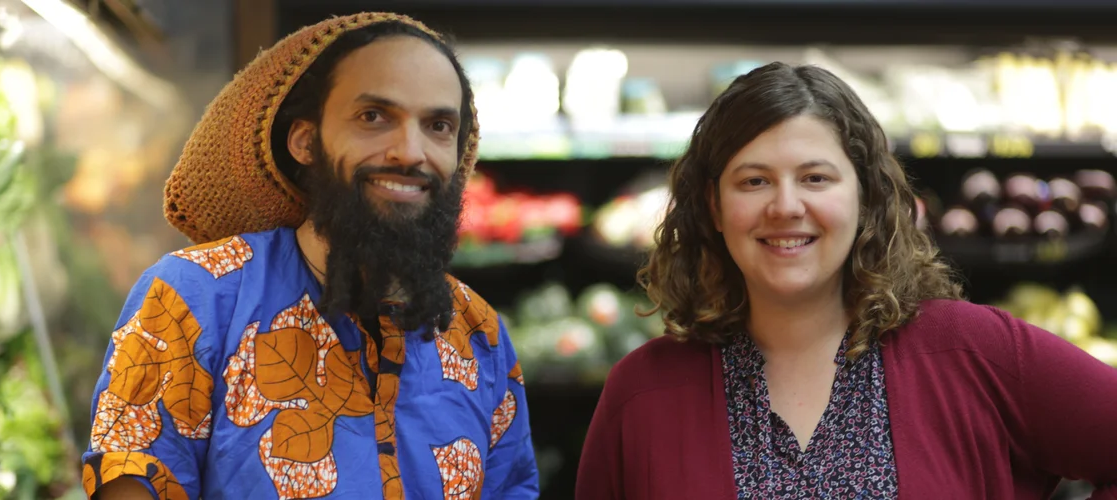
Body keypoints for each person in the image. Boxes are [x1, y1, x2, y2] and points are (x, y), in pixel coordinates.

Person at [575, 62, 1117, 499]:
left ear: (865, 198)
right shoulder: (641, 396)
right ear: (714, 206)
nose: (786, 206)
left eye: (815, 178)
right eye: (754, 180)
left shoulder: (976, 352)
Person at [81, 12, 538, 500]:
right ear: (305, 141)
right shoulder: (194, 299)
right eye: (373, 117)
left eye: (438, 125)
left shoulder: (479, 334)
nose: (410, 151)